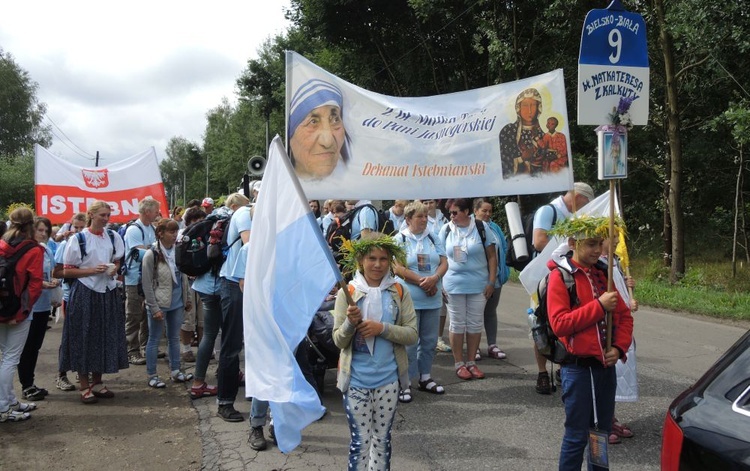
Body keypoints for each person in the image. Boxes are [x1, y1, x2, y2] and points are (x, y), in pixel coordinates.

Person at [545, 215, 633, 471]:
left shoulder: (603, 274)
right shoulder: (560, 277)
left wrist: (618, 348)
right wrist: (598, 306)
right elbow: (560, 323)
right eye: (591, 244)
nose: (598, 249)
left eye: (600, 243)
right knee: (577, 435)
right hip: (577, 369)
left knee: (601, 434)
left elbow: (625, 317)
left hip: (604, 368)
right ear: (573, 243)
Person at [333, 233, 417, 470]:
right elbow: (339, 341)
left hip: (388, 381)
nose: (378, 264)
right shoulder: (347, 292)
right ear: (360, 260)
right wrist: (350, 323)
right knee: (360, 442)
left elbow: (412, 334)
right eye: (372, 258)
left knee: (382, 441)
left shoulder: (399, 291)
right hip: (356, 381)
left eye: (383, 258)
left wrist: (382, 328)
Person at [60, 201, 128, 404]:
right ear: (91, 214)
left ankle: (97, 381)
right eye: (102, 215)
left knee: (103, 334)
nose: (106, 219)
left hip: (106, 291)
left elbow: (117, 260)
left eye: (108, 215)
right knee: (83, 335)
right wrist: (92, 270)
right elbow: (66, 270)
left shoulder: (113, 236)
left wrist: (114, 268)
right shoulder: (79, 239)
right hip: (85, 291)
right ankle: (83, 385)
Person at [531, 182, 595, 394]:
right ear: (578, 197)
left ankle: (562, 367)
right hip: (544, 278)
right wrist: (570, 244)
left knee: (565, 323)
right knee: (541, 326)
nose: (587, 206)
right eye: (586, 202)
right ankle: (542, 373)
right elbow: (539, 242)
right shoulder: (548, 211)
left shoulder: (571, 214)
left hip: (567, 277)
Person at [392, 202, 448, 403]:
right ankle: (405, 382)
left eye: (425, 216)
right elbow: (397, 268)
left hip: (432, 297)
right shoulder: (399, 239)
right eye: (419, 217)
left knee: (429, 341)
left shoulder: (433, 237)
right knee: (409, 342)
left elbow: (444, 262)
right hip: (410, 298)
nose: (424, 220)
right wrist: (422, 282)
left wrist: (434, 279)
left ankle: (425, 377)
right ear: (408, 219)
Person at [438, 198, 496, 381]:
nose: (451, 216)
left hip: (478, 284)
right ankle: (459, 363)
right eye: (450, 213)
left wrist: (491, 282)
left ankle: (471, 362)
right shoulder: (446, 229)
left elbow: (492, 257)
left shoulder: (481, 227)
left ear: (466, 212)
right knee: (457, 323)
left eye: (455, 212)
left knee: (474, 323)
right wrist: (438, 282)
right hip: (453, 284)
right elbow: (439, 258)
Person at [0, 207, 44, 422]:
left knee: (4, 358)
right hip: (18, 311)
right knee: (10, 359)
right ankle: (3, 407)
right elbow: (34, 285)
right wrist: (23, 311)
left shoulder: (1, 244)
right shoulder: (33, 250)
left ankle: (10, 401)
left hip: (1, 308)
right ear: (31, 224)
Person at [141, 218, 194, 389]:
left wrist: (187, 298)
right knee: (154, 339)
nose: (174, 235)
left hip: (177, 302)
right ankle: (152, 374)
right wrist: (154, 307)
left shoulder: (177, 251)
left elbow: (182, 277)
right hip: (160, 303)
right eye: (171, 232)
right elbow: (147, 283)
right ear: (160, 233)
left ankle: (176, 370)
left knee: (174, 338)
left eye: (176, 231)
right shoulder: (151, 254)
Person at [216, 192, 252, 422]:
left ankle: (256, 393)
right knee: (232, 344)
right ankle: (225, 402)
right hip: (234, 282)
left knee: (255, 342)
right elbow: (251, 246)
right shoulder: (244, 213)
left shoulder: (260, 214)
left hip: (251, 282)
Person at [601, 232, 639, 445]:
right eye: (613, 236)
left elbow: (621, 293)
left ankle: (610, 417)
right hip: (607, 326)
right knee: (606, 375)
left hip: (621, 326)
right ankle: (601, 422)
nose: (617, 240)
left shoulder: (615, 260)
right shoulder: (598, 263)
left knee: (616, 374)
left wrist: (628, 288)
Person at [18, 217, 61, 401]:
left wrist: (54, 285)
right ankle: (25, 385)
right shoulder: (26, 250)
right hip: (29, 305)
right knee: (25, 348)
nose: (44, 234)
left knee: (35, 347)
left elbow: (52, 271)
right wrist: (43, 283)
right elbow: (23, 278)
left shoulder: (46, 249)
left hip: (43, 304)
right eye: (40, 230)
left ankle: (30, 382)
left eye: (46, 230)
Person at [288, 79, 351, 180]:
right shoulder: (282, 189)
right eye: (313, 122)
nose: (327, 142)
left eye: (335, 120)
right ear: (290, 137)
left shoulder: (355, 186)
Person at [52, 214, 87, 391]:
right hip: (70, 296)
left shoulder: (90, 243)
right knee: (70, 337)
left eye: (82, 227)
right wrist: (77, 272)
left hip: (88, 296)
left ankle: (81, 371)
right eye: (76, 227)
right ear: (70, 227)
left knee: (85, 336)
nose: (79, 231)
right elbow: (56, 272)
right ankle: (61, 374)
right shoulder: (66, 244)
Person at [472, 198, 510, 360]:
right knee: (475, 314)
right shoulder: (470, 227)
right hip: (476, 279)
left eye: (490, 211)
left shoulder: (495, 228)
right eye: (484, 211)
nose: (487, 214)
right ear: (475, 211)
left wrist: (501, 274)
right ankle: (475, 347)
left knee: (490, 312)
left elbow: (503, 250)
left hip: (495, 279)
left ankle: (492, 345)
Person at [124, 198, 160, 366]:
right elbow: (138, 253)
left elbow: (151, 249)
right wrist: (152, 249)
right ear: (147, 212)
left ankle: (146, 346)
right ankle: (132, 350)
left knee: (148, 314)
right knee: (133, 314)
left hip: (148, 277)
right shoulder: (134, 229)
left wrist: (150, 249)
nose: (157, 214)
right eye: (155, 211)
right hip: (134, 278)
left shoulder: (151, 228)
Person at [499, 88, 546, 177]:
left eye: (533, 105)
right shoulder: (508, 131)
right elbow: (502, 163)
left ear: (538, 107)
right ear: (518, 108)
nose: (529, 110)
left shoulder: (543, 135)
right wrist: (522, 158)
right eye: (525, 105)